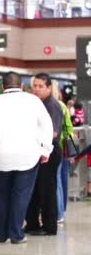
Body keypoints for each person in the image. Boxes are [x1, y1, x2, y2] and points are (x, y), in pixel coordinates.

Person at [0, 71, 53, 244]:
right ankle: (16, 234)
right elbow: (47, 125)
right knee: (21, 195)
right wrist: (46, 150)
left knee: (0, 195)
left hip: (3, 157)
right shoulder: (33, 101)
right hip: (28, 156)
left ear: (2, 87)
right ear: (22, 86)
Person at [25, 73, 64, 236]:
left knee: (47, 190)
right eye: (35, 86)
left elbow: (53, 133)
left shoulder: (52, 105)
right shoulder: (36, 104)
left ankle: (49, 226)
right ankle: (32, 224)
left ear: (49, 88)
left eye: (41, 86)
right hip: (37, 151)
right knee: (34, 189)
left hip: (49, 152)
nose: (37, 89)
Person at [51, 81, 73, 224]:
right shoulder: (63, 106)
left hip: (55, 147)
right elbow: (69, 128)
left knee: (56, 180)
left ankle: (58, 213)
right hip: (63, 148)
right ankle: (61, 210)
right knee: (61, 180)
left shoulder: (53, 106)